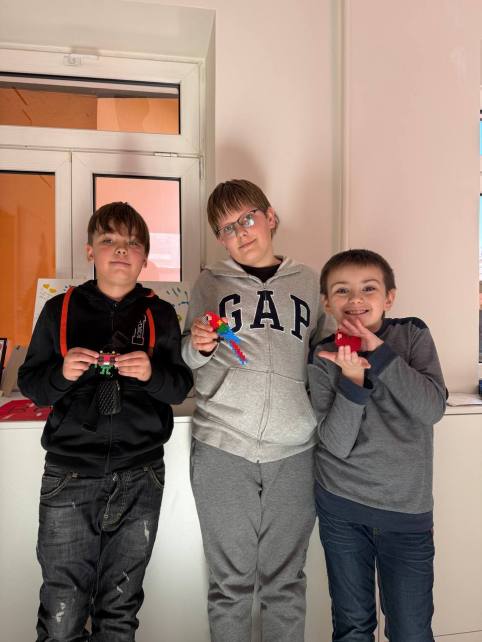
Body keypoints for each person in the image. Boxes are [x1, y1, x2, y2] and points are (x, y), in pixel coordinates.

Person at [18, 201, 193, 642]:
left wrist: (152, 374)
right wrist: (61, 374)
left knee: (120, 610)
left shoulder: (160, 315)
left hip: (141, 475)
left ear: (145, 258)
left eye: (132, 243)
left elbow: (179, 387)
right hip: (69, 476)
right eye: (109, 240)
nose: (120, 250)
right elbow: (32, 385)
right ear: (89, 251)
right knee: (61, 613)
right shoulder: (59, 309)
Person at [182, 179, 328, 642]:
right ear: (220, 239)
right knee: (230, 585)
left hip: (295, 450)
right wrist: (198, 345)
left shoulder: (308, 282)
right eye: (227, 228)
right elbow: (187, 357)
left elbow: (322, 356)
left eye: (247, 218)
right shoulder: (209, 282)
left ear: (270, 218)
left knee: (285, 582)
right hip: (222, 445)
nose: (241, 232)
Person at [308, 249, 447, 642]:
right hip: (341, 506)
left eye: (368, 288)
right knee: (353, 627)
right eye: (342, 290)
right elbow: (335, 443)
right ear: (327, 302)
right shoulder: (323, 354)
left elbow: (432, 409)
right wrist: (353, 381)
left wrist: (381, 355)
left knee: (411, 631)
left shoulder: (412, 334)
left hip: (406, 511)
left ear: (389, 297)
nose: (355, 298)